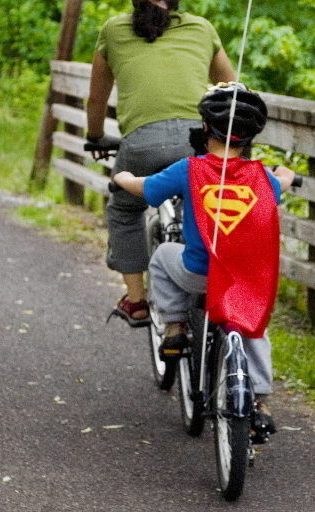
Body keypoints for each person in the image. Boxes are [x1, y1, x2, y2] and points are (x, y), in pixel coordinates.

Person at [112, 83, 296, 428]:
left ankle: (175, 324)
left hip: (198, 272)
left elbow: (145, 188)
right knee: (252, 325)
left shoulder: (189, 169)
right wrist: (287, 175)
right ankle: (259, 399)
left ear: (205, 129)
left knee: (164, 255)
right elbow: (282, 182)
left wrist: (123, 177)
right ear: (250, 136)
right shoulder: (262, 178)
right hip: (245, 279)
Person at [86, 0, 235, 326]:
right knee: (207, 202)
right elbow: (230, 87)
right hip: (197, 141)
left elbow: (97, 97)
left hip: (140, 144)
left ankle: (136, 300)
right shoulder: (202, 28)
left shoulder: (113, 30)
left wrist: (96, 135)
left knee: (125, 206)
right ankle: (219, 285)